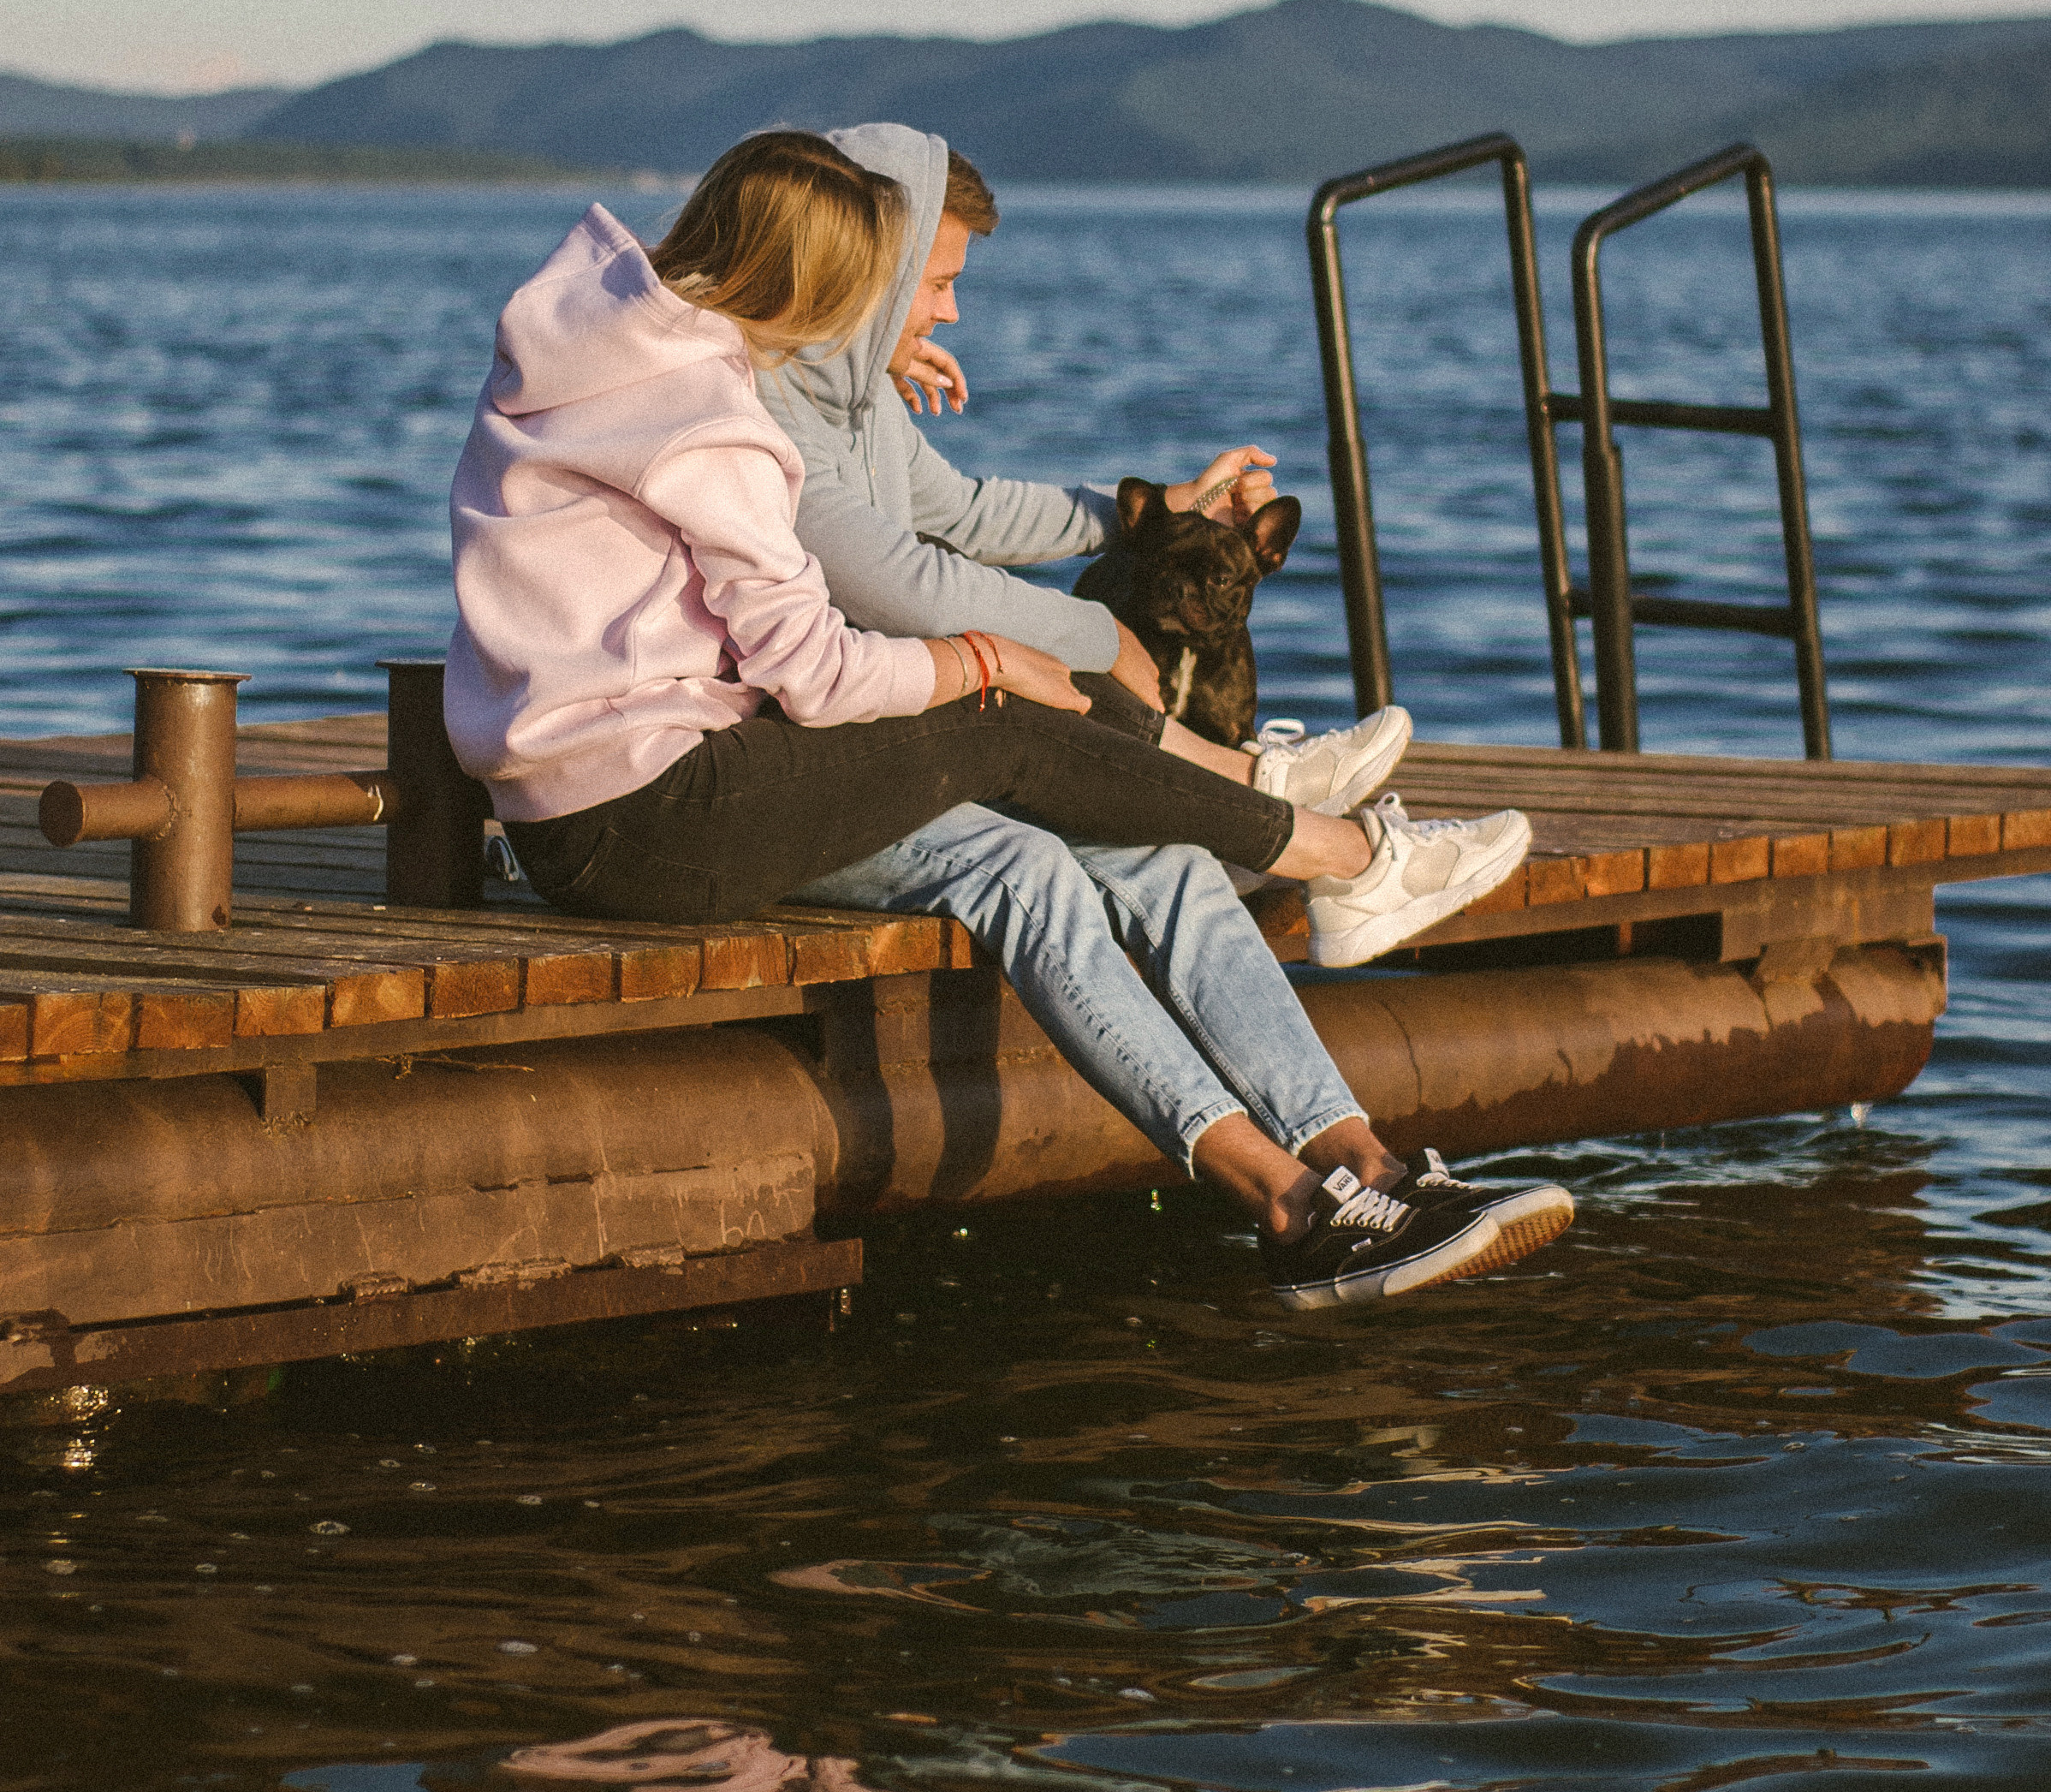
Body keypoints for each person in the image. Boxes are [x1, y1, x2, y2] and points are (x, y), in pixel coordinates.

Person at [442, 127, 1572, 1310]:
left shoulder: (610, 340)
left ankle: (1359, 1166)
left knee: (1153, 855)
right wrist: (988, 658)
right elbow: (818, 671)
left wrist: (984, 640)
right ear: (817, 284)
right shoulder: (708, 417)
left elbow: (896, 561)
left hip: (687, 764)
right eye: (885, 291)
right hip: (640, 807)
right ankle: (1322, 982)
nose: (901, 315)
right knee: (1008, 744)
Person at [759, 124, 1536, 970]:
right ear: (876, 269)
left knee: (1052, 668)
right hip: (801, 759)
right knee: (1042, 659)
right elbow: (918, 587)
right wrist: (1095, 637)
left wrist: (1166, 508)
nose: (952, 311)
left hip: (861, 709)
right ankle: (1297, 823)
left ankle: (1266, 812)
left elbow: (968, 513)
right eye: (937, 283)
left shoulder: (857, 399)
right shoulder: (771, 412)